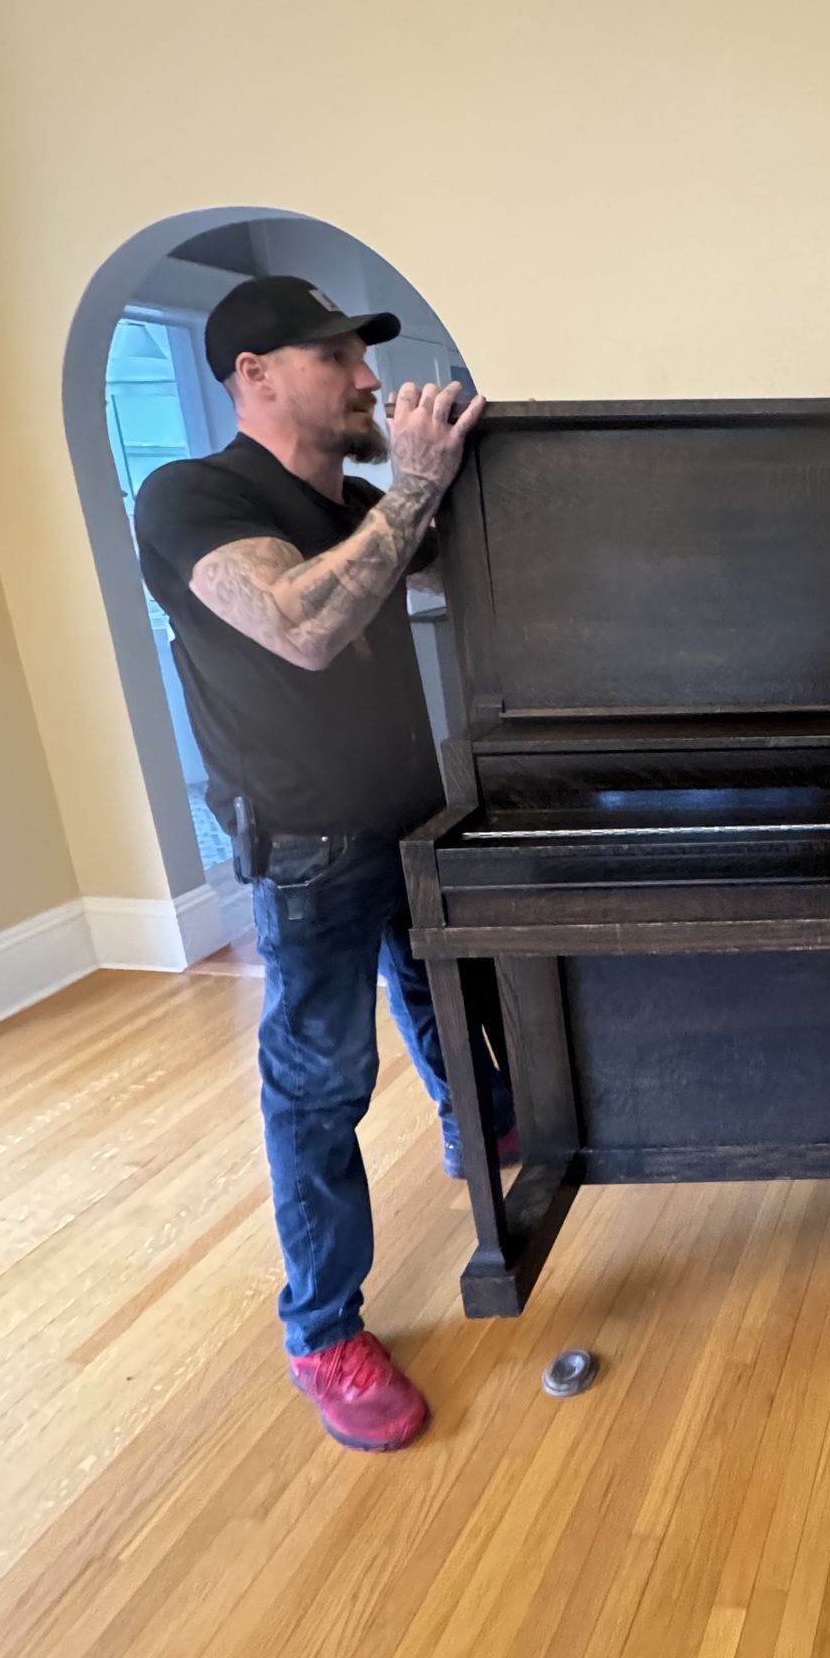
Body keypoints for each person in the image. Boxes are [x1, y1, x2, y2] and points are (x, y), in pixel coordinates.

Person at [134, 276, 516, 1449]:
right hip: (306, 847)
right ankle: (321, 1331)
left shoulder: (350, 500)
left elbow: (449, 565)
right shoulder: (191, 497)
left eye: (361, 356)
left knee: (451, 994)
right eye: (336, 356)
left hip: (408, 810)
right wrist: (414, 487)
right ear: (253, 374)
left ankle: (478, 1128)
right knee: (320, 1085)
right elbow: (301, 623)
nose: (365, 377)